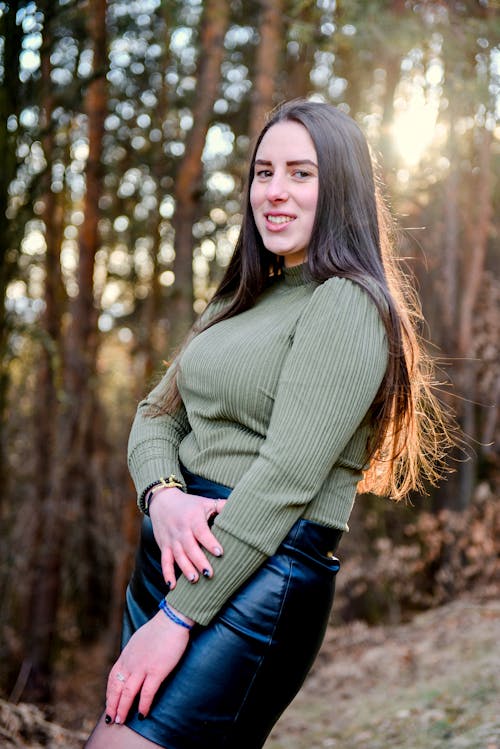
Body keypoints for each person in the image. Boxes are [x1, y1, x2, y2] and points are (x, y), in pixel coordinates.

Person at [85, 99, 450, 749]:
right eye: (263, 172)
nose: (275, 192)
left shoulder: (345, 302)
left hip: (257, 570)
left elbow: (285, 477)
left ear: (340, 187)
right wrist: (163, 496)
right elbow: (154, 415)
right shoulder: (242, 294)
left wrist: (178, 616)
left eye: (301, 174)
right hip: (175, 557)